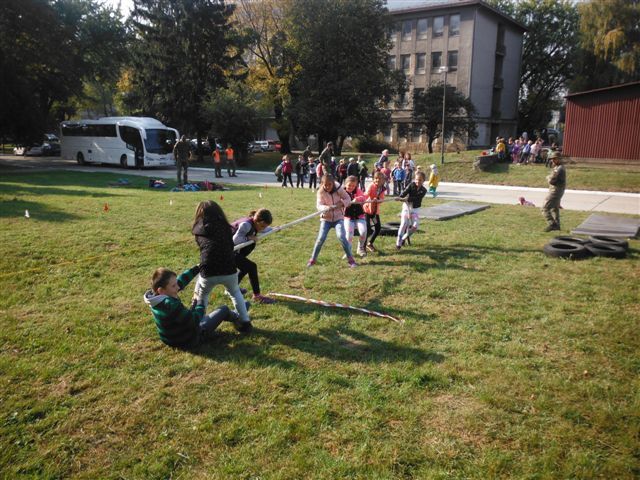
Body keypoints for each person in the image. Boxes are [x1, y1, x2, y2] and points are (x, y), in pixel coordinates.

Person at [192, 201, 252, 332]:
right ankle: (245, 321)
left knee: (203, 295)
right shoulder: (226, 227)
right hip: (229, 267)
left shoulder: (198, 229)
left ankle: (197, 322)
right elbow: (230, 245)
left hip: (208, 269)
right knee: (235, 292)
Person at [144, 266, 239, 347]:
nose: (178, 287)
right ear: (161, 290)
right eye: (173, 286)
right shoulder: (171, 304)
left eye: (176, 284)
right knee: (224, 309)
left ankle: (234, 315)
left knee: (208, 315)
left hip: (170, 340)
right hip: (189, 340)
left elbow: (180, 282)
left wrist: (197, 268)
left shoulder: (155, 299)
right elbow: (195, 320)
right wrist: (200, 305)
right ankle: (239, 318)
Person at [307, 174, 356, 267]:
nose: (327, 187)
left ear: (333, 183)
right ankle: (313, 259)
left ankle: (351, 259)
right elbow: (319, 205)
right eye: (325, 185)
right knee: (320, 238)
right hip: (326, 219)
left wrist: (342, 203)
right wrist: (326, 208)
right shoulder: (320, 192)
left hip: (338, 218)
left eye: (329, 184)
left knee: (341, 236)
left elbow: (348, 198)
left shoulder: (338, 188)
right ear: (322, 184)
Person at [231, 209, 276, 304]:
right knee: (252, 267)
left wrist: (275, 229)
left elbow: (265, 229)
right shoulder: (246, 225)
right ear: (257, 221)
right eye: (262, 226)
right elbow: (235, 240)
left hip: (232, 250)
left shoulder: (255, 223)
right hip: (225, 251)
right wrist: (248, 238)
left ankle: (231, 289)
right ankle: (257, 296)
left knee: (245, 267)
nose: (263, 229)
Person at [395, 171, 428, 249]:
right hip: (407, 207)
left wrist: (407, 198)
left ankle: (404, 238)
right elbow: (403, 193)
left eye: (420, 180)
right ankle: (398, 243)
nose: (418, 181)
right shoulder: (411, 185)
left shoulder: (424, 190)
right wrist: (400, 197)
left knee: (415, 226)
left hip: (415, 210)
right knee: (404, 224)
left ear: (423, 181)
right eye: (416, 179)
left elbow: (417, 199)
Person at [342, 175, 368, 257]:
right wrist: (345, 202)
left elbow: (363, 197)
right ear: (345, 184)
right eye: (349, 185)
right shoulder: (342, 192)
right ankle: (348, 251)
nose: (351, 187)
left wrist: (357, 199)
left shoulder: (357, 190)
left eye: (353, 186)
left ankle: (360, 248)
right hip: (348, 217)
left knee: (363, 232)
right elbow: (339, 200)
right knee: (349, 235)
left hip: (359, 216)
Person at [542, 151, 566, 232]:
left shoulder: (559, 169)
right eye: (552, 159)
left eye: (554, 159)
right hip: (558, 190)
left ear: (559, 159)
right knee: (554, 208)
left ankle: (552, 224)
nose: (552, 160)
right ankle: (557, 225)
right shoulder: (558, 167)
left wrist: (548, 178)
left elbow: (553, 181)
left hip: (555, 191)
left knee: (545, 208)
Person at [364, 171, 386, 253]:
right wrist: (369, 198)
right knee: (367, 228)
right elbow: (366, 194)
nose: (377, 180)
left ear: (383, 180)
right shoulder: (371, 186)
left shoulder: (382, 189)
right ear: (373, 179)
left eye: (380, 178)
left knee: (378, 228)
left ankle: (370, 243)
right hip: (367, 210)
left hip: (374, 212)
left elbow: (382, 199)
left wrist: (378, 200)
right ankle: (362, 246)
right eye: (376, 178)